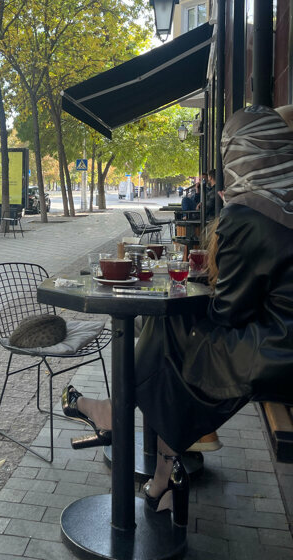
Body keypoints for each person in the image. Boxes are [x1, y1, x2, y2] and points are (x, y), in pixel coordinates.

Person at [62, 105, 293, 526]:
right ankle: (162, 477)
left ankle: (119, 417)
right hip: (281, 341)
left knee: (168, 329)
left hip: (275, 353)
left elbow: (228, 314)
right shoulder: (283, 207)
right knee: (169, 339)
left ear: (240, 156)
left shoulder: (248, 214)